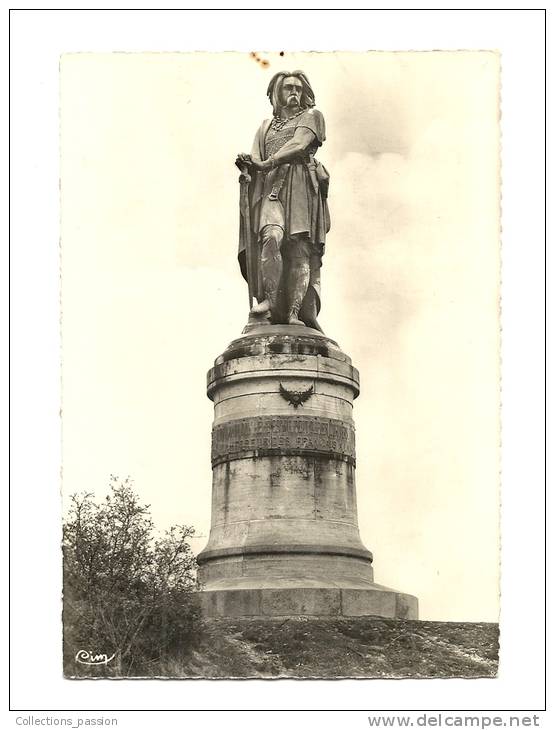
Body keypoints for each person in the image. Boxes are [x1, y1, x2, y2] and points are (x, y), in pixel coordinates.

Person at [236, 70, 330, 331]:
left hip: (300, 185)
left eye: (298, 89)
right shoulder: (265, 127)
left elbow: (300, 144)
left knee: (300, 250)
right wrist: (247, 165)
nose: (294, 94)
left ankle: (294, 312)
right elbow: (256, 159)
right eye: (288, 88)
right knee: (271, 236)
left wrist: (268, 162)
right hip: (270, 189)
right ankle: (269, 300)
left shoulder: (312, 117)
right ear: (278, 94)